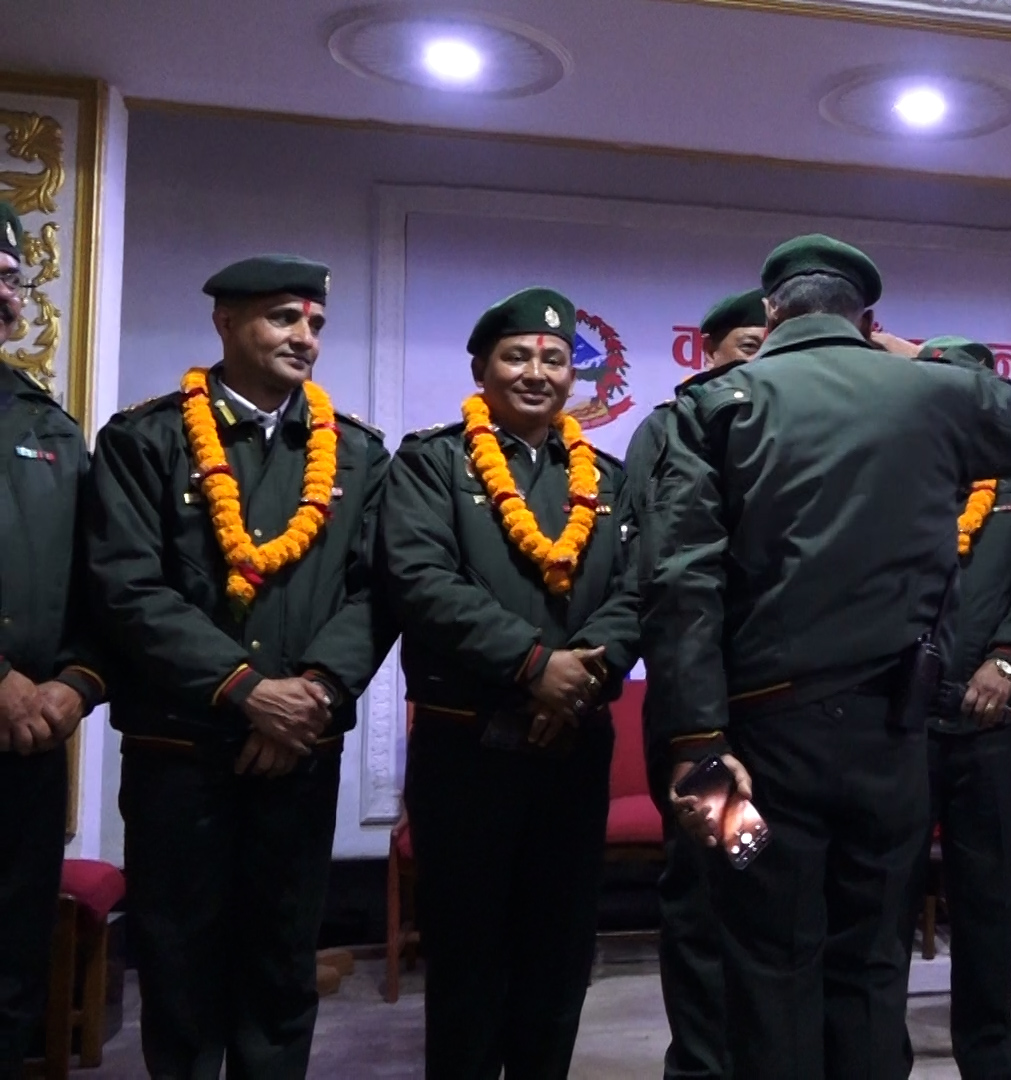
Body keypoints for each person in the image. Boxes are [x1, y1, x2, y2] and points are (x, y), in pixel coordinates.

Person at [644, 234, 1011, 1080]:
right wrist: (921, 356)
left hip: (747, 745)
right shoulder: (930, 392)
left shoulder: (713, 406)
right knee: (873, 959)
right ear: (867, 319)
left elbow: (680, 587)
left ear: (771, 313)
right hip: (893, 741)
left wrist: (695, 747)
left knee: (761, 957)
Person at [85, 254, 393, 1078]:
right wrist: (249, 692)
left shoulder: (358, 453)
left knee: (282, 970)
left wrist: (314, 695)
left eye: (315, 324)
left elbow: (376, 592)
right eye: (283, 318)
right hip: (182, 753)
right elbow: (126, 588)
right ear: (224, 323)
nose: (305, 338)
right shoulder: (145, 439)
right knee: (180, 971)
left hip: (300, 752)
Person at [379, 286, 642, 1079]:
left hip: (574, 747)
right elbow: (421, 580)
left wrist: (581, 680)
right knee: (468, 962)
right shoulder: (431, 463)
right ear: (481, 369)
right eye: (518, 355)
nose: (537, 372)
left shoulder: (611, 479)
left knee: (558, 960)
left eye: (554, 359)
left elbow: (638, 591)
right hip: (468, 748)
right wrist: (535, 668)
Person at [900, 336, 1011, 1080]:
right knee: (883, 898)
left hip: (985, 722)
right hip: (897, 726)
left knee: (986, 901)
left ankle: (990, 1057)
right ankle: (877, 1053)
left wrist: (1008, 660)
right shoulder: (888, 469)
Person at [622, 286, 767, 1080]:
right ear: (707, 352)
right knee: (713, 891)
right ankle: (705, 1067)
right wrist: (695, 733)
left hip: (788, 713)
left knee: (773, 898)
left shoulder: (793, 430)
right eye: (746, 345)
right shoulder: (671, 430)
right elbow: (666, 582)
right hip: (705, 711)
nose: (760, 360)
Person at [0, 202, 107, 1080]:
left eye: (10, 276)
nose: (6, 292)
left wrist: (74, 684)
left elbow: (102, 584)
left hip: (26, 744)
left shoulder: (49, 429)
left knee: (11, 960)